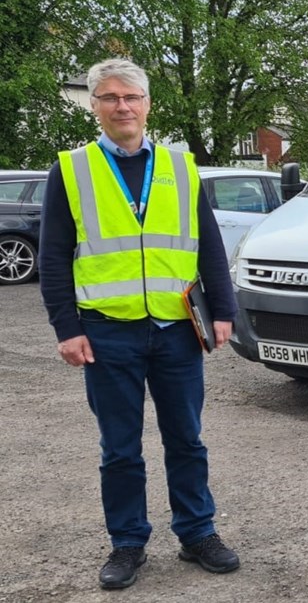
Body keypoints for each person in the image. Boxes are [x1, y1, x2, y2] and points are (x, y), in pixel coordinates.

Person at [38, 59, 241, 589]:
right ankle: (128, 543)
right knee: (120, 448)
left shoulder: (182, 166)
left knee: (187, 439)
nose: (121, 106)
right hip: (107, 332)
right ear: (94, 106)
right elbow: (54, 256)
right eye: (108, 97)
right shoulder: (72, 170)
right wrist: (67, 327)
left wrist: (222, 311)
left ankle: (197, 532)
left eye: (131, 97)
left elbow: (209, 246)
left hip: (177, 328)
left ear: (148, 104)